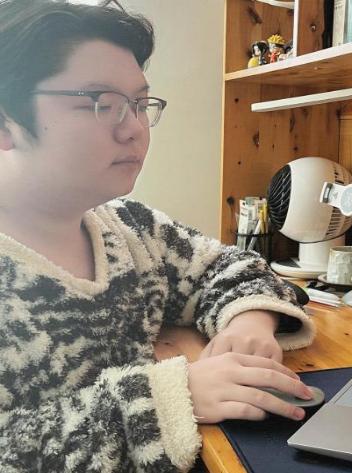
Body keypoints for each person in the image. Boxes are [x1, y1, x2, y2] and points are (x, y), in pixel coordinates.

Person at [0, 1, 315, 471]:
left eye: (139, 104)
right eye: (101, 103)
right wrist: (169, 399)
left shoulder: (130, 228)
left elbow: (228, 266)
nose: (135, 129)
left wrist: (248, 323)